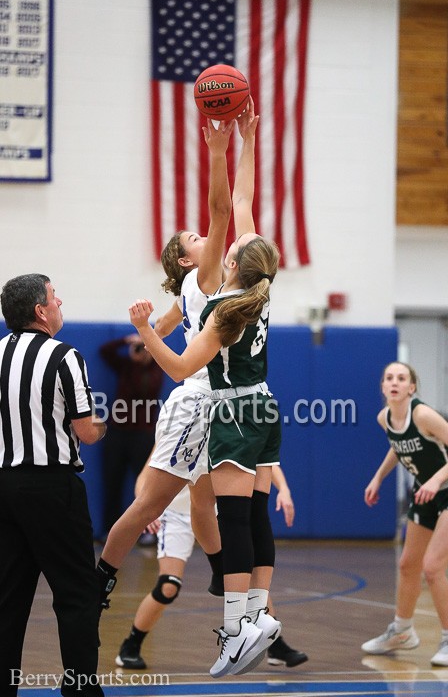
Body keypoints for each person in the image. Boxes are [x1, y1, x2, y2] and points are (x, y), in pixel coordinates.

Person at [128, 101, 283, 678]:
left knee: (233, 519)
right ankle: (254, 619)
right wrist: (245, 143)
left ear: (232, 261)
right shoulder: (255, 288)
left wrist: (146, 330)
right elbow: (240, 204)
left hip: (228, 405)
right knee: (250, 516)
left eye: (221, 241)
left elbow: (227, 207)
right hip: (261, 403)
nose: (215, 237)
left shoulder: (222, 302)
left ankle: (242, 625)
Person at [96, 117, 236, 620]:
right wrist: (219, 150)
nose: (207, 236)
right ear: (184, 259)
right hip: (197, 399)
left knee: (202, 498)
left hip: (214, 401)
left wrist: (147, 325)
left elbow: (168, 318)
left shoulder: (185, 292)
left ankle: (221, 572)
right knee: (148, 507)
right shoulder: (204, 274)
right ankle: (102, 578)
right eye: (195, 238)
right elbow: (223, 209)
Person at [0, 274, 107, 697]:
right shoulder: (65, 356)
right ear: (41, 311)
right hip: (52, 487)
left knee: (8, 598)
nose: (59, 300)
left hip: (5, 485)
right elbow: (84, 428)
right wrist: (101, 429)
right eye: (53, 295)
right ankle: (80, 690)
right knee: (77, 592)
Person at [115, 466, 308, 670]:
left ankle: (276, 645)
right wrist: (146, 508)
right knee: (168, 586)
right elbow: (145, 475)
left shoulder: (224, 433)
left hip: (211, 509)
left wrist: (284, 489)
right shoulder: (173, 434)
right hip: (174, 514)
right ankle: (131, 644)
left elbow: (264, 460)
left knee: (244, 576)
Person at [362, 361, 448, 667]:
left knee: (433, 567)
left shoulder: (423, 414)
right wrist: (378, 478)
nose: (395, 382)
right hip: (427, 493)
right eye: (389, 378)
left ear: (411, 387)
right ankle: (401, 631)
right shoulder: (384, 418)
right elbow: (397, 447)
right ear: (383, 387)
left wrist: (436, 479)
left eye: (402, 378)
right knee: (407, 564)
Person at [99, 333, 164, 539]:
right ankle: (110, 529)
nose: (139, 352)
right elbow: (105, 351)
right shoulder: (125, 365)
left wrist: (144, 359)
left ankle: (148, 531)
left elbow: (143, 389)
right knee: (113, 482)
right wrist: (127, 341)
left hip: (142, 436)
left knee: (145, 487)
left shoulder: (156, 370)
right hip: (117, 433)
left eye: (144, 349)